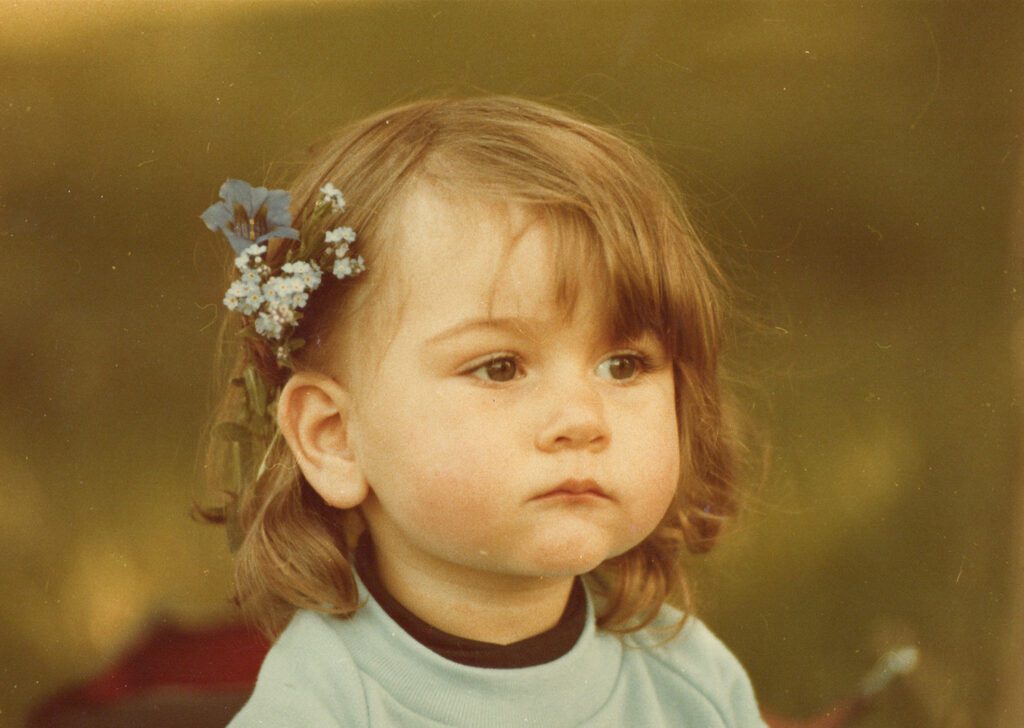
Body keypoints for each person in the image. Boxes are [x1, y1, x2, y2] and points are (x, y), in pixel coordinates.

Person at [199, 95, 767, 727]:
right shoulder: (321, 709)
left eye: (624, 365)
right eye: (500, 367)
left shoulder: (690, 684)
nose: (581, 419)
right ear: (335, 437)